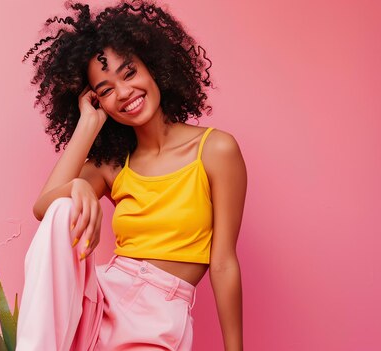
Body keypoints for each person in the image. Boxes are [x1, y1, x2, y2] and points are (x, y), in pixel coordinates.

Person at [17, 1, 247, 350]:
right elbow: (44, 210)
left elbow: (224, 264)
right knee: (64, 208)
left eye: (129, 73)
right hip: (103, 301)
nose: (124, 93)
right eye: (106, 90)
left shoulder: (216, 151)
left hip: (160, 315)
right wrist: (87, 128)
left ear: (153, 68)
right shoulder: (114, 164)